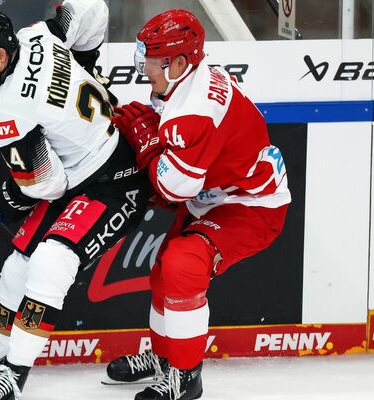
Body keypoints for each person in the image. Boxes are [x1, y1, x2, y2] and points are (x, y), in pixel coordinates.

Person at [0, 2, 150, 400]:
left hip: (115, 183)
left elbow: (48, 184)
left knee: (50, 263)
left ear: (0, 55)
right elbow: (92, 7)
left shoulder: (7, 111)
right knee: (16, 269)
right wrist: (86, 64)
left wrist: (15, 193)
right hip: (83, 172)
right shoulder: (39, 34)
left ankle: (14, 375)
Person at [104, 9, 291, 400]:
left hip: (251, 205)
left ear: (179, 62)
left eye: (152, 58)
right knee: (163, 266)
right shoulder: (188, 80)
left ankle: (186, 376)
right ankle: (164, 357)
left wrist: (148, 142)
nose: (143, 66)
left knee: (182, 262)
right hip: (218, 193)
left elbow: (173, 189)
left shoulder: (194, 113)